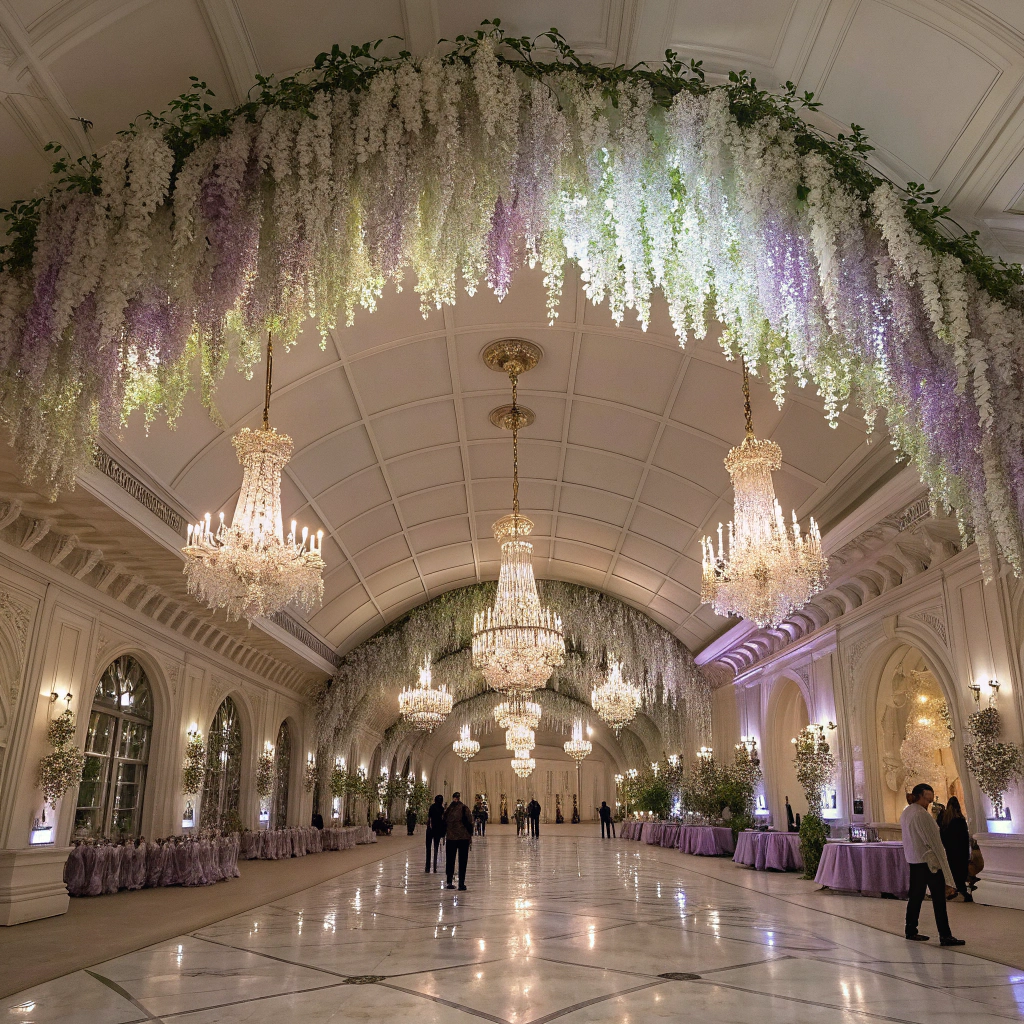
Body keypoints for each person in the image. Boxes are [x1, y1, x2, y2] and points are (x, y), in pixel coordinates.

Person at [901, 783, 964, 946]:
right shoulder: (921, 814)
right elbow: (935, 843)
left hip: (915, 860)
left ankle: (910, 930)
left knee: (915, 896)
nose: (930, 799)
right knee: (938, 898)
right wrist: (947, 873)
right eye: (928, 795)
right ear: (921, 795)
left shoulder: (907, 812)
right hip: (929, 863)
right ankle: (945, 935)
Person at [939, 797, 973, 902]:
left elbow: (941, 835)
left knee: (953, 870)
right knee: (961, 872)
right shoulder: (960, 820)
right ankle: (962, 891)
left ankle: (953, 890)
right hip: (961, 851)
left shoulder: (944, 820)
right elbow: (965, 838)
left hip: (950, 850)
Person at [443, 791, 473, 891]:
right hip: (463, 838)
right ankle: (461, 883)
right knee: (462, 861)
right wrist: (470, 835)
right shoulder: (464, 808)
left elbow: (444, 821)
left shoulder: (448, 810)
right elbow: (470, 822)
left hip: (451, 838)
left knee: (450, 860)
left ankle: (449, 881)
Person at [425, 795, 444, 872]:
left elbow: (429, 818)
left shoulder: (432, 807)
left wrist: (428, 827)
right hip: (438, 830)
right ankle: (435, 866)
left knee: (428, 849)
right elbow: (443, 820)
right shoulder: (442, 809)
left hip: (430, 830)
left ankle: (427, 867)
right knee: (435, 848)